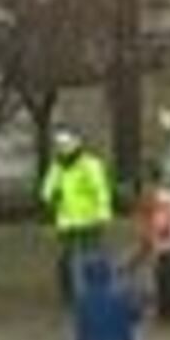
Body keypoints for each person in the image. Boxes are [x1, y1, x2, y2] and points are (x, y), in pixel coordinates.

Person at [39, 128, 114, 305]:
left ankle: (94, 291)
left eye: (65, 146)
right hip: (67, 223)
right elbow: (46, 190)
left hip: (90, 220)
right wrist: (50, 196)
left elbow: (101, 190)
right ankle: (73, 293)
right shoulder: (57, 167)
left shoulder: (90, 165)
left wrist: (103, 214)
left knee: (91, 256)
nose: (62, 151)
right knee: (69, 258)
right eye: (59, 147)